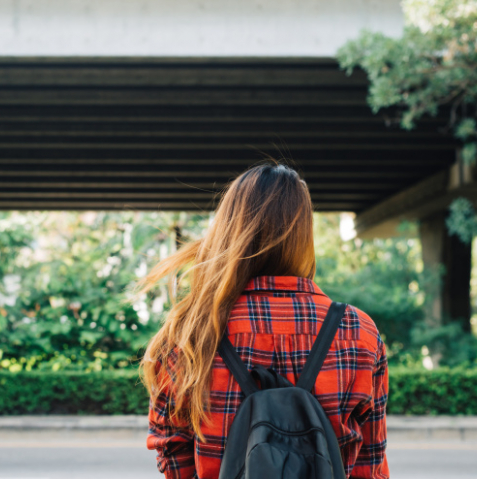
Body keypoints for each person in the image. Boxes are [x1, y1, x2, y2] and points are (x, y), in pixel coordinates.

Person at [139, 162, 389, 479]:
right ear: (303, 236)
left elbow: (173, 456)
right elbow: (371, 466)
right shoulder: (358, 332)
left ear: (229, 230)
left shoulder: (188, 333)